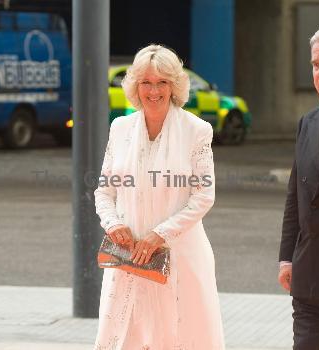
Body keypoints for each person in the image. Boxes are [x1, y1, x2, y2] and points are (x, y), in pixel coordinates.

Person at [93, 44, 225, 349]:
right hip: (129, 259)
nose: (154, 91)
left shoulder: (198, 130)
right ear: (135, 86)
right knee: (127, 338)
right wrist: (112, 224)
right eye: (146, 82)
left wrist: (158, 235)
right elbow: (104, 190)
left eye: (162, 82)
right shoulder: (120, 127)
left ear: (174, 86)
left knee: (182, 338)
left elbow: (204, 196)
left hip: (181, 258)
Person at [278, 27, 319, 350]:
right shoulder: (309, 122)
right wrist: (286, 258)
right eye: (315, 64)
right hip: (311, 277)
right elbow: (294, 198)